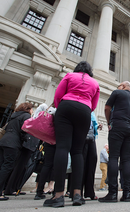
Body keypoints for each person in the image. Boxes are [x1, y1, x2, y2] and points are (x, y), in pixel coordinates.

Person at [43, 61, 100, 207]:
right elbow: (94, 105)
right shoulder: (95, 83)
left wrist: (61, 107)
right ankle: (77, 195)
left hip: (66, 107)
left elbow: (58, 96)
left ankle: (59, 195)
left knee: (62, 148)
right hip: (84, 111)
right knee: (78, 152)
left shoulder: (69, 76)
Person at [99, 81, 130, 203]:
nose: (117, 87)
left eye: (119, 85)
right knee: (126, 159)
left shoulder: (117, 93)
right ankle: (127, 193)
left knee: (114, 157)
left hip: (118, 125)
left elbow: (107, 108)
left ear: (124, 86)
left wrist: (109, 122)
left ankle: (113, 193)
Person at [0, 102, 34, 201]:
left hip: (4, 141)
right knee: (7, 167)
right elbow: (24, 130)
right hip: (13, 143)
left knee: (2, 165)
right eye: (32, 109)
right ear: (28, 109)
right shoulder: (26, 116)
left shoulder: (13, 116)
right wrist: (26, 139)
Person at [34, 103, 56, 200]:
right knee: (57, 165)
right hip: (59, 140)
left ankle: (39, 191)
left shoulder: (50, 111)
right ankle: (56, 191)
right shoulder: (60, 111)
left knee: (47, 165)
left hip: (48, 139)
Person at [82, 111, 102, 200]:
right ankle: (76, 191)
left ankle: (90, 192)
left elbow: (92, 125)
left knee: (92, 162)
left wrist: (97, 127)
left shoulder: (92, 112)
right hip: (81, 137)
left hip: (91, 137)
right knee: (81, 164)